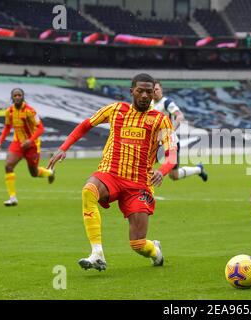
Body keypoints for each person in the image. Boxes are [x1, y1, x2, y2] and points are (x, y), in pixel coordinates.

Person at [47, 74, 178, 271]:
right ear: (131, 91)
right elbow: (86, 125)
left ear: (153, 94)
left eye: (149, 92)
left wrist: (162, 170)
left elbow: (172, 155)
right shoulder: (115, 110)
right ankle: (97, 253)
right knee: (88, 191)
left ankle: (155, 251)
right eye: (140, 91)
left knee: (138, 245)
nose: (144, 95)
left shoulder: (161, 120)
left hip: (139, 184)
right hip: (110, 174)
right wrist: (64, 147)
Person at [0, 88, 55, 206]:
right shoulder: (9, 111)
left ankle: (50, 172)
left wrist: (30, 140)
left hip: (32, 145)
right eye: (15, 95)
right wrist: (0, 141)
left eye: (19, 95)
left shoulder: (30, 111)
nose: (17, 97)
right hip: (18, 143)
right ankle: (12, 198)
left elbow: (41, 128)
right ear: (12, 97)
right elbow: (7, 127)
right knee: (8, 166)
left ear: (23, 97)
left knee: (34, 173)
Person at [152, 80, 208, 182]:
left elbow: (180, 115)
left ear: (161, 90)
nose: (154, 92)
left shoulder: (166, 102)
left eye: (156, 89)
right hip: (156, 142)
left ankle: (198, 169)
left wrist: (170, 130)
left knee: (174, 176)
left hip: (170, 143)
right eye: (152, 90)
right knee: (144, 163)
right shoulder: (149, 104)